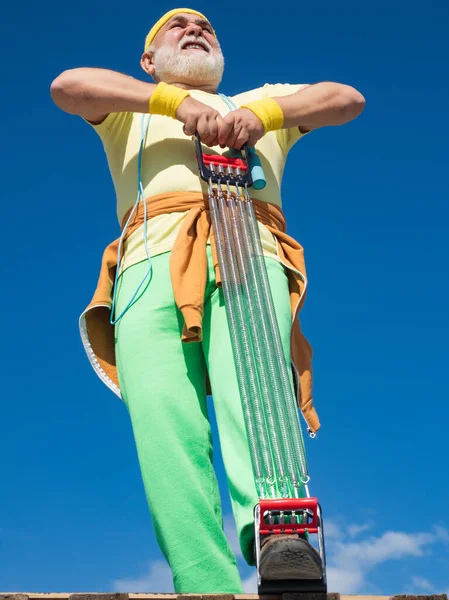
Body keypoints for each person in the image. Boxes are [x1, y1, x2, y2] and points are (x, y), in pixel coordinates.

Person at [51, 8, 365, 594]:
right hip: (148, 262)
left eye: (206, 27)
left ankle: (282, 537)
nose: (196, 29)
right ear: (149, 61)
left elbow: (346, 99)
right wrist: (173, 104)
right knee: (163, 418)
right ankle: (202, 577)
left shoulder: (262, 102)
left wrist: (260, 115)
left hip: (249, 247)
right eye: (178, 26)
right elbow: (67, 86)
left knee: (259, 387)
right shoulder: (130, 109)